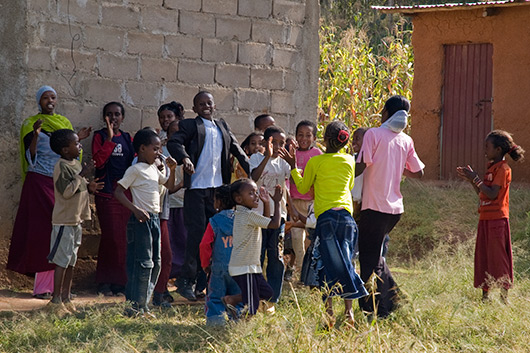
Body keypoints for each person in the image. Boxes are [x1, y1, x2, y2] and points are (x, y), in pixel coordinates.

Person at [281, 120, 368, 328]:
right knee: (347, 262)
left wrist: (293, 167)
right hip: (347, 220)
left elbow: (302, 187)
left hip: (326, 219)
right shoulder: (349, 160)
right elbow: (349, 186)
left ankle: (329, 315)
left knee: (324, 264)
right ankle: (349, 314)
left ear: (324, 140)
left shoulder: (316, 162)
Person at [7, 85, 91, 299]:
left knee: (62, 235)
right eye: (45, 98)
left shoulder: (64, 123)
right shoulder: (31, 124)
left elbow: (68, 150)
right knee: (43, 234)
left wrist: (78, 138)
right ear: (39, 101)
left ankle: (61, 289)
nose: (50, 101)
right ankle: (43, 287)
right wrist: (35, 135)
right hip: (40, 183)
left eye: (53, 97)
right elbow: (30, 154)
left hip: (61, 183)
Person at [167, 91, 249, 301]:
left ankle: (206, 283)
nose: (206, 106)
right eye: (201, 104)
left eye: (209, 103)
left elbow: (237, 150)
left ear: (214, 106)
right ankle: (186, 281)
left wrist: (251, 167)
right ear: (194, 109)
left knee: (215, 237)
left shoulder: (222, 126)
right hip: (196, 188)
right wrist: (184, 158)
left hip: (218, 191)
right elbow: (174, 143)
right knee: (196, 235)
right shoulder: (189, 126)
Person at [356, 95, 424, 318]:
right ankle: (395, 299)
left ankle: (376, 310)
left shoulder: (373, 134)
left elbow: (359, 168)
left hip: (373, 208)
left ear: (386, 112)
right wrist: (395, 164)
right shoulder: (407, 140)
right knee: (376, 256)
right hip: (394, 211)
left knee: (368, 259)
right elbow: (419, 172)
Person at [114, 128, 177, 317]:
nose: (159, 153)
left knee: (155, 263)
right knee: (142, 263)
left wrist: (172, 170)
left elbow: (169, 186)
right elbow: (118, 192)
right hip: (141, 220)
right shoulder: (134, 170)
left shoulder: (152, 169)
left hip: (155, 219)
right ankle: (135, 306)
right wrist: (136, 209)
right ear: (142, 148)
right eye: (155, 149)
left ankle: (143, 305)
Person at [457, 130, 524, 303]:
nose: (485, 150)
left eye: (488, 147)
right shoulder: (491, 169)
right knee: (484, 257)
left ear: (499, 149)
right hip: (485, 219)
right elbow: (482, 193)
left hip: (497, 220)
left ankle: (504, 297)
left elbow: (493, 194)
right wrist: (472, 180)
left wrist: (476, 178)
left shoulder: (503, 169)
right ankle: (485, 297)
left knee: (498, 258)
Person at [47, 129, 103, 313]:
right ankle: (55, 300)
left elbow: (80, 187)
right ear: (64, 150)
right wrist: (82, 175)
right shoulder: (61, 166)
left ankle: (66, 297)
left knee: (71, 261)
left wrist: (90, 185)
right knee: (62, 261)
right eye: (76, 143)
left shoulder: (75, 165)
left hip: (76, 221)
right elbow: (67, 191)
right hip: (64, 221)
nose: (79, 146)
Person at [222, 179, 282, 316]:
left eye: (256, 192)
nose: (256, 196)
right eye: (251, 193)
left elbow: (266, 223)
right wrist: (277, 202)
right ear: (239, 199)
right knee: (252, 305)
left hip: (251, 266)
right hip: (245, 266)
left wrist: (266, 202)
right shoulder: (247, 215)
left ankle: (231, 299)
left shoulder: (246, 214)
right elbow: (274, 224)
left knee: (267, 293)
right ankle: (243, 328)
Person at [92, 102, 135, 296]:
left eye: (117, 114)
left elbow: (133, 163)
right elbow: (98, 162)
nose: (113, 118)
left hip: (124, 194)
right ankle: (104, 281)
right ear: (104, 118)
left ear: (123, 117)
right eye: (109, 115)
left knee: (123, 238)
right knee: (110, 238)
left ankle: (120, 282)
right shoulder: (99, 137)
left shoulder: (127, 138)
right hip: (106, 193)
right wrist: (109, 140)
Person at [250, 125, 293, 303]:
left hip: (278, 216)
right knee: (257, 255)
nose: (277, 147)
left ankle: (272, 298)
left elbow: (292, 181)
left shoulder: (283, 163)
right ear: (265, 142)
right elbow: (253, 177)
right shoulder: (256, 158)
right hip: (258, 217)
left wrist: (293, 163)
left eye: (281, 143)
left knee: (276, 256)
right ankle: (256, 294)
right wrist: (266, 156)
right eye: (273, 142)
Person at [154, 103, 184, 307]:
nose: (165, 120)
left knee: (180, 242)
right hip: (164, 203)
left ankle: (178, 281)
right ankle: (160, 287)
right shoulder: (158, 147)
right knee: (165, 247)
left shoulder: (184, 144)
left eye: (169, 117)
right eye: (162, 117)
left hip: (181, 201)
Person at [199, 185, 241, 325]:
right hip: (240, 267)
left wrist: (205, 265)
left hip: (218, 268)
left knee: (216, 297)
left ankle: (215, 324)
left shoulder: (215, 221)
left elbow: (205, 245)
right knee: (238, 296)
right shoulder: (242, 220)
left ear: (219, 202)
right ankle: (238, 322)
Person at [289, 120, 322, 270]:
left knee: (310, 238)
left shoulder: (317, 154)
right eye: (300, 135)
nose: (304, 138)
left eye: (308, 135)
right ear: (295, 137)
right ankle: (302, 270)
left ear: (314, 138)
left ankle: (311, 270)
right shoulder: (291, 153)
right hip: (295, 202)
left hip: (311, 203)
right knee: (296, 237)